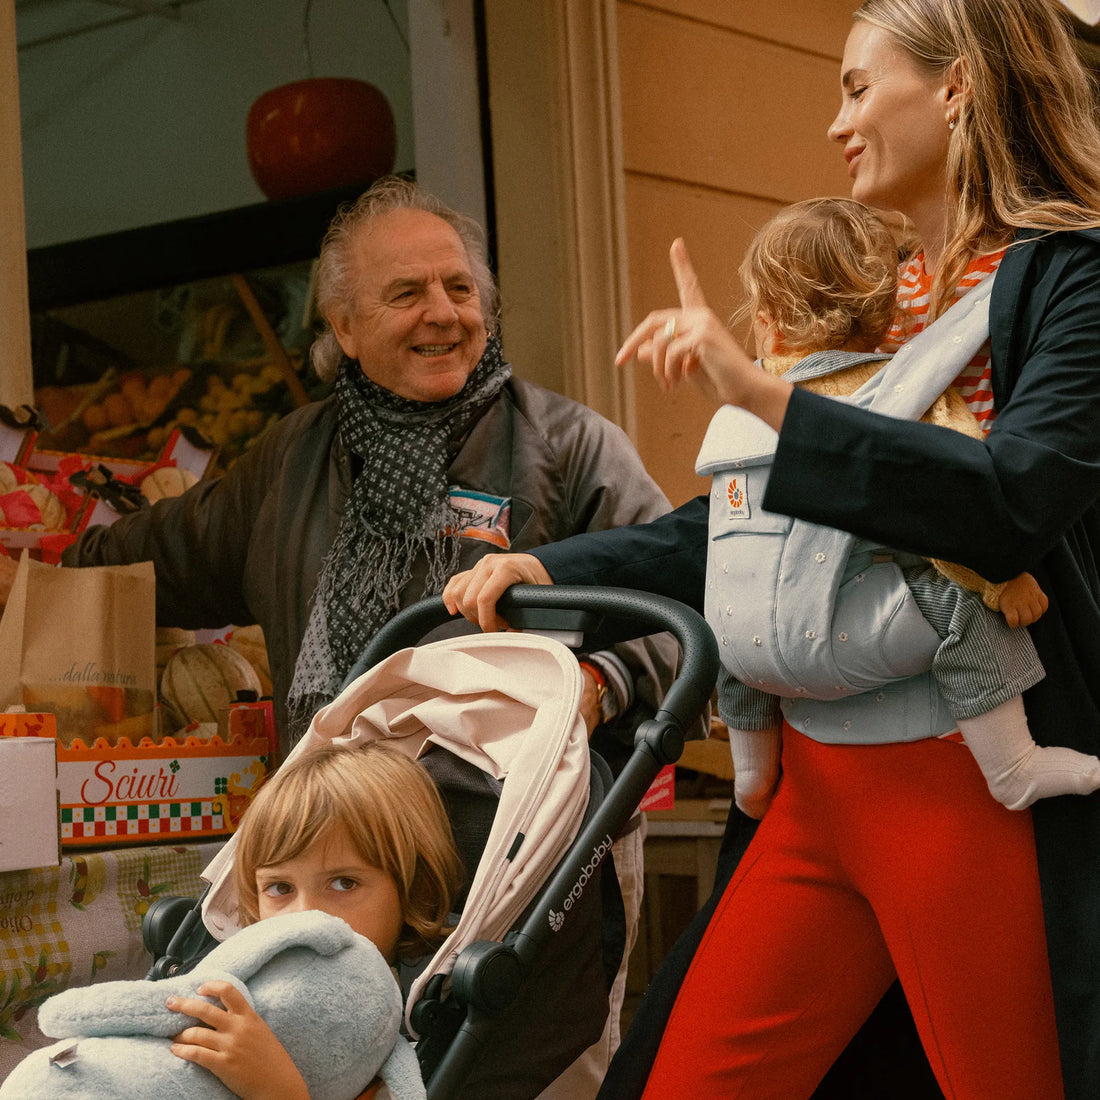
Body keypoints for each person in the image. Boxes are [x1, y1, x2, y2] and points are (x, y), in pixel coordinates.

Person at [443, 1, 1100, 1095]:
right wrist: (560, 569)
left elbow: (1011, 500)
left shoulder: (1070, 277)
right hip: (813, 780)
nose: (835, 121)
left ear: (957, 87)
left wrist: (760, 397)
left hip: (965, 781)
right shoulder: (892, 286)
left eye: (855, 86)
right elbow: (759, 522)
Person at [62, 175, 683, 1096]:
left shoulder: (571, 447)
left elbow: (674, 619)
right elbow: (167, 552)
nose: (444, 314)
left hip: (520, 846)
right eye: (407, 294)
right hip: (331, 853)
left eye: (460, 289)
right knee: (336, 1066)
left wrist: (599, 686)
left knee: (532, 1068)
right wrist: (50, 572)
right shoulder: (290, 457)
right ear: (343, 328)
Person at [720, 195, 1100, 818]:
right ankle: (1013, 763)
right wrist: (999, 584)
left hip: (776, 681)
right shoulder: (900, 388)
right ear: (892, 314)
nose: (840, 127)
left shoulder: (745, 412)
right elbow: (951, 513)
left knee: (731, 602)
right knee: (966, 608)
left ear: (769, 323)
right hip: (881, 677)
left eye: (858, 89)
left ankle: (750, 770)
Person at [166, 741, 461, 1099]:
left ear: (413, 890)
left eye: (344, 883)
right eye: (280, 887)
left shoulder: (398, 1041)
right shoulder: (237, 988)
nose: (305, 915)